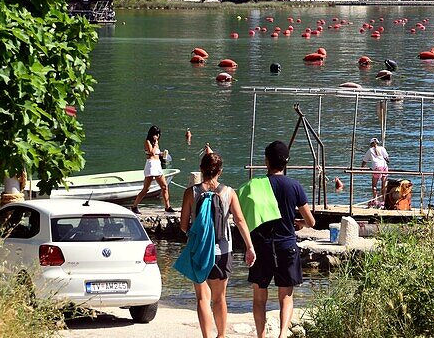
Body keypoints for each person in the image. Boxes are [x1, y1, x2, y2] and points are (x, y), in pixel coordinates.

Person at [181, 149, 255, 338]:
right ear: (220, 171)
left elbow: (183, 225)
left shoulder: (191, 192)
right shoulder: (229, 193)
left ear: (201, 169)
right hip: (222, 251)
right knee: (219, 297)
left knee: (202, 298)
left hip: (199, 250)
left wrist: (194, 234)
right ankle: (221, 335)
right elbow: (240, 221)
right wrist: (249, 246)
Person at [249, 140, 315, 338]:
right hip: (286, 245)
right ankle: (282, 335)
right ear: (286, 162)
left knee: (259, 298)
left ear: (266, 161)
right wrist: (299, 224)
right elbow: (310, 221)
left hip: (262, 246)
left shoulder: (256, 185)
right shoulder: (294, 186)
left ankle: (261, 336)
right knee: (285, 297)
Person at [132, 125, 174, 213]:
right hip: (151, 165)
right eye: (156, 134)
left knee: (164, 186)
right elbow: (151, 152)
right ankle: (134, 206)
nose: (157, 136)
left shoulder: (156, 143)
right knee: (146, 189)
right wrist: (155, 142)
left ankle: (167, 206)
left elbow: (156, 153)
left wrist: (162, 154)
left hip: (157, 165)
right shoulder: (148, 142)